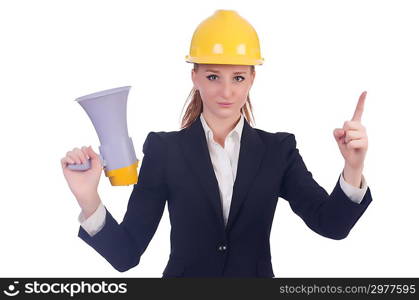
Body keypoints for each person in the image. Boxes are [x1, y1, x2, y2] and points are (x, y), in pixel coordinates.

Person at [61, 10, 373, 277]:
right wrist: (88, 199)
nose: (226, 91)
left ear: (252, 79)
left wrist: (353, 166)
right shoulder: (164, 150)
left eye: (237, 77)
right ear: (194, 77)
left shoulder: (278, 151)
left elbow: (331, 225)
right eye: (213, 77)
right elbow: (126, 254)